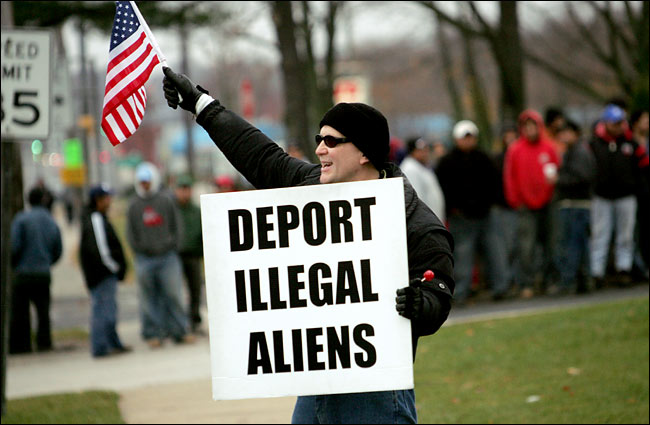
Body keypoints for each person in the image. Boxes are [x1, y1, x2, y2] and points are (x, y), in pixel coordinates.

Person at [162, 67, 454, 424]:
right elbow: (260, 156)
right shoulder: (310, 185)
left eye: (331, 141)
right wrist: (201, 105)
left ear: (364, 152)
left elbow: (438, 295)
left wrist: (418, 302)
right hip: (316, 382)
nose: (319, 149)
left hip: (375, 391)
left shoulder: (415, 222)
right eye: (319, 138)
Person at [435, 120, 509, 304]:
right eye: (464, 138)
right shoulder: (446, 162)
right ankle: (461, 292)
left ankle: (500, 287)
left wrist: (491, 204)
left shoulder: (484, 158)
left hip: (485, 215)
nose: (468, 141)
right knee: (463, 256)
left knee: (495, 252)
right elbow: (443, 189)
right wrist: (453, 209)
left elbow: (495, 183)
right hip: (461, 217)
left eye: (471, 138)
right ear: (456, 139)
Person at [126, 161, 195, 348]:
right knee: (148, 299)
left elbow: (177, 226)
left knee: (174, 295)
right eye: (142, 182)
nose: (145, 185)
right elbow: (130, 233)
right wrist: (139, 250)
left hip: (168, 257)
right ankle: (153, 334)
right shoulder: (134, 205)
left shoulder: (165, 200)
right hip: (144, 258)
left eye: (147, 181)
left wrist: (173, 246)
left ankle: (179, 330)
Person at [589, 104, 649, 287]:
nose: (618, 126)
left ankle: (624, 269)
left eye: (620, 122)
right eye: (614, 123)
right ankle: (597, 273)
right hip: (602, 196)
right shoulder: (594, 144)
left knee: (626, 236)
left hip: (626, 196)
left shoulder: (630, 143)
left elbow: (644, 166)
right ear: (606, 123)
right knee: (601, 235)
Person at [504, 109, 560, 299]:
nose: (530, 130)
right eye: (526, 126)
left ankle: (549, 280)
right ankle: (526, 283)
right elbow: (509, 177)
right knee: (526, 247)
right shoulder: (515, 150)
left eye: (533, 125)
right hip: (525, 206)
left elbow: (556, 172)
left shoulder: (549, 148)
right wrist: (515, 200)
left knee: (550, 245)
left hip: (548, 203)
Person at [79, 184, 131, 357]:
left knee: (109, 310)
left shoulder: (98, 217)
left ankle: (113, 343)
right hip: (102, 274)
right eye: (106, 198)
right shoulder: (95, 218)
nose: (110, 201)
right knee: (103, 311)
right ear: (98, 200)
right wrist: (114, 267)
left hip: (102, 273)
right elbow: (100, 249)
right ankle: (101, 347)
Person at [9, 186, 63, 354]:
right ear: (43, 200)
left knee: (21, 312)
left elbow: (14, 246)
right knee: (43, 311)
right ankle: (44, 342)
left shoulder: (21, 219)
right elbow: (58, 248)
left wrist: (15, 263)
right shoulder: (50, 220)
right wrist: (47, 261)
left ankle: (22, 345)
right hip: (42, 273)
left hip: (23, 273)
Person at [549, 120, 596, 296]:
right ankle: (582, 280)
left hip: (576, 204)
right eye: (562, 133)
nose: (564, 136)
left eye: (567, 132)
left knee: (572, 244)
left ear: (575, 133)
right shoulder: (571, 152)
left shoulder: (580, 152)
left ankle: (570, 280)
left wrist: (559, 180)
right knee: (578, 243)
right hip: (574, 204)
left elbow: (583, 177)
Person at [174, 175, 205, 334]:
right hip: (176, 256)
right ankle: (179, 323)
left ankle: (194, 320)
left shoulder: (196, 210)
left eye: (187, 189)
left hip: (193, 255)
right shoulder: (172, 209)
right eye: (182, 189)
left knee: (195, 289)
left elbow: (202, 233)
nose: (185, 192)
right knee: (176, 291)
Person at [492, 121, 520, 292]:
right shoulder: (497, 159)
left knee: (518, 246)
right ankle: (507, 281)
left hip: (519, 207)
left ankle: (517, 280)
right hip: (502, 208)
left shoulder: (520, 156)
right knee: (504, 248)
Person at [399, 136, 446, 222]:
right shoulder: (410, 169)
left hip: (432, 221)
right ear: (412, 151)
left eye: (426, 149)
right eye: (421, 150)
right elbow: (417, 200)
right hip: (425, 223)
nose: (425, 153)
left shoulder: (422, 166)